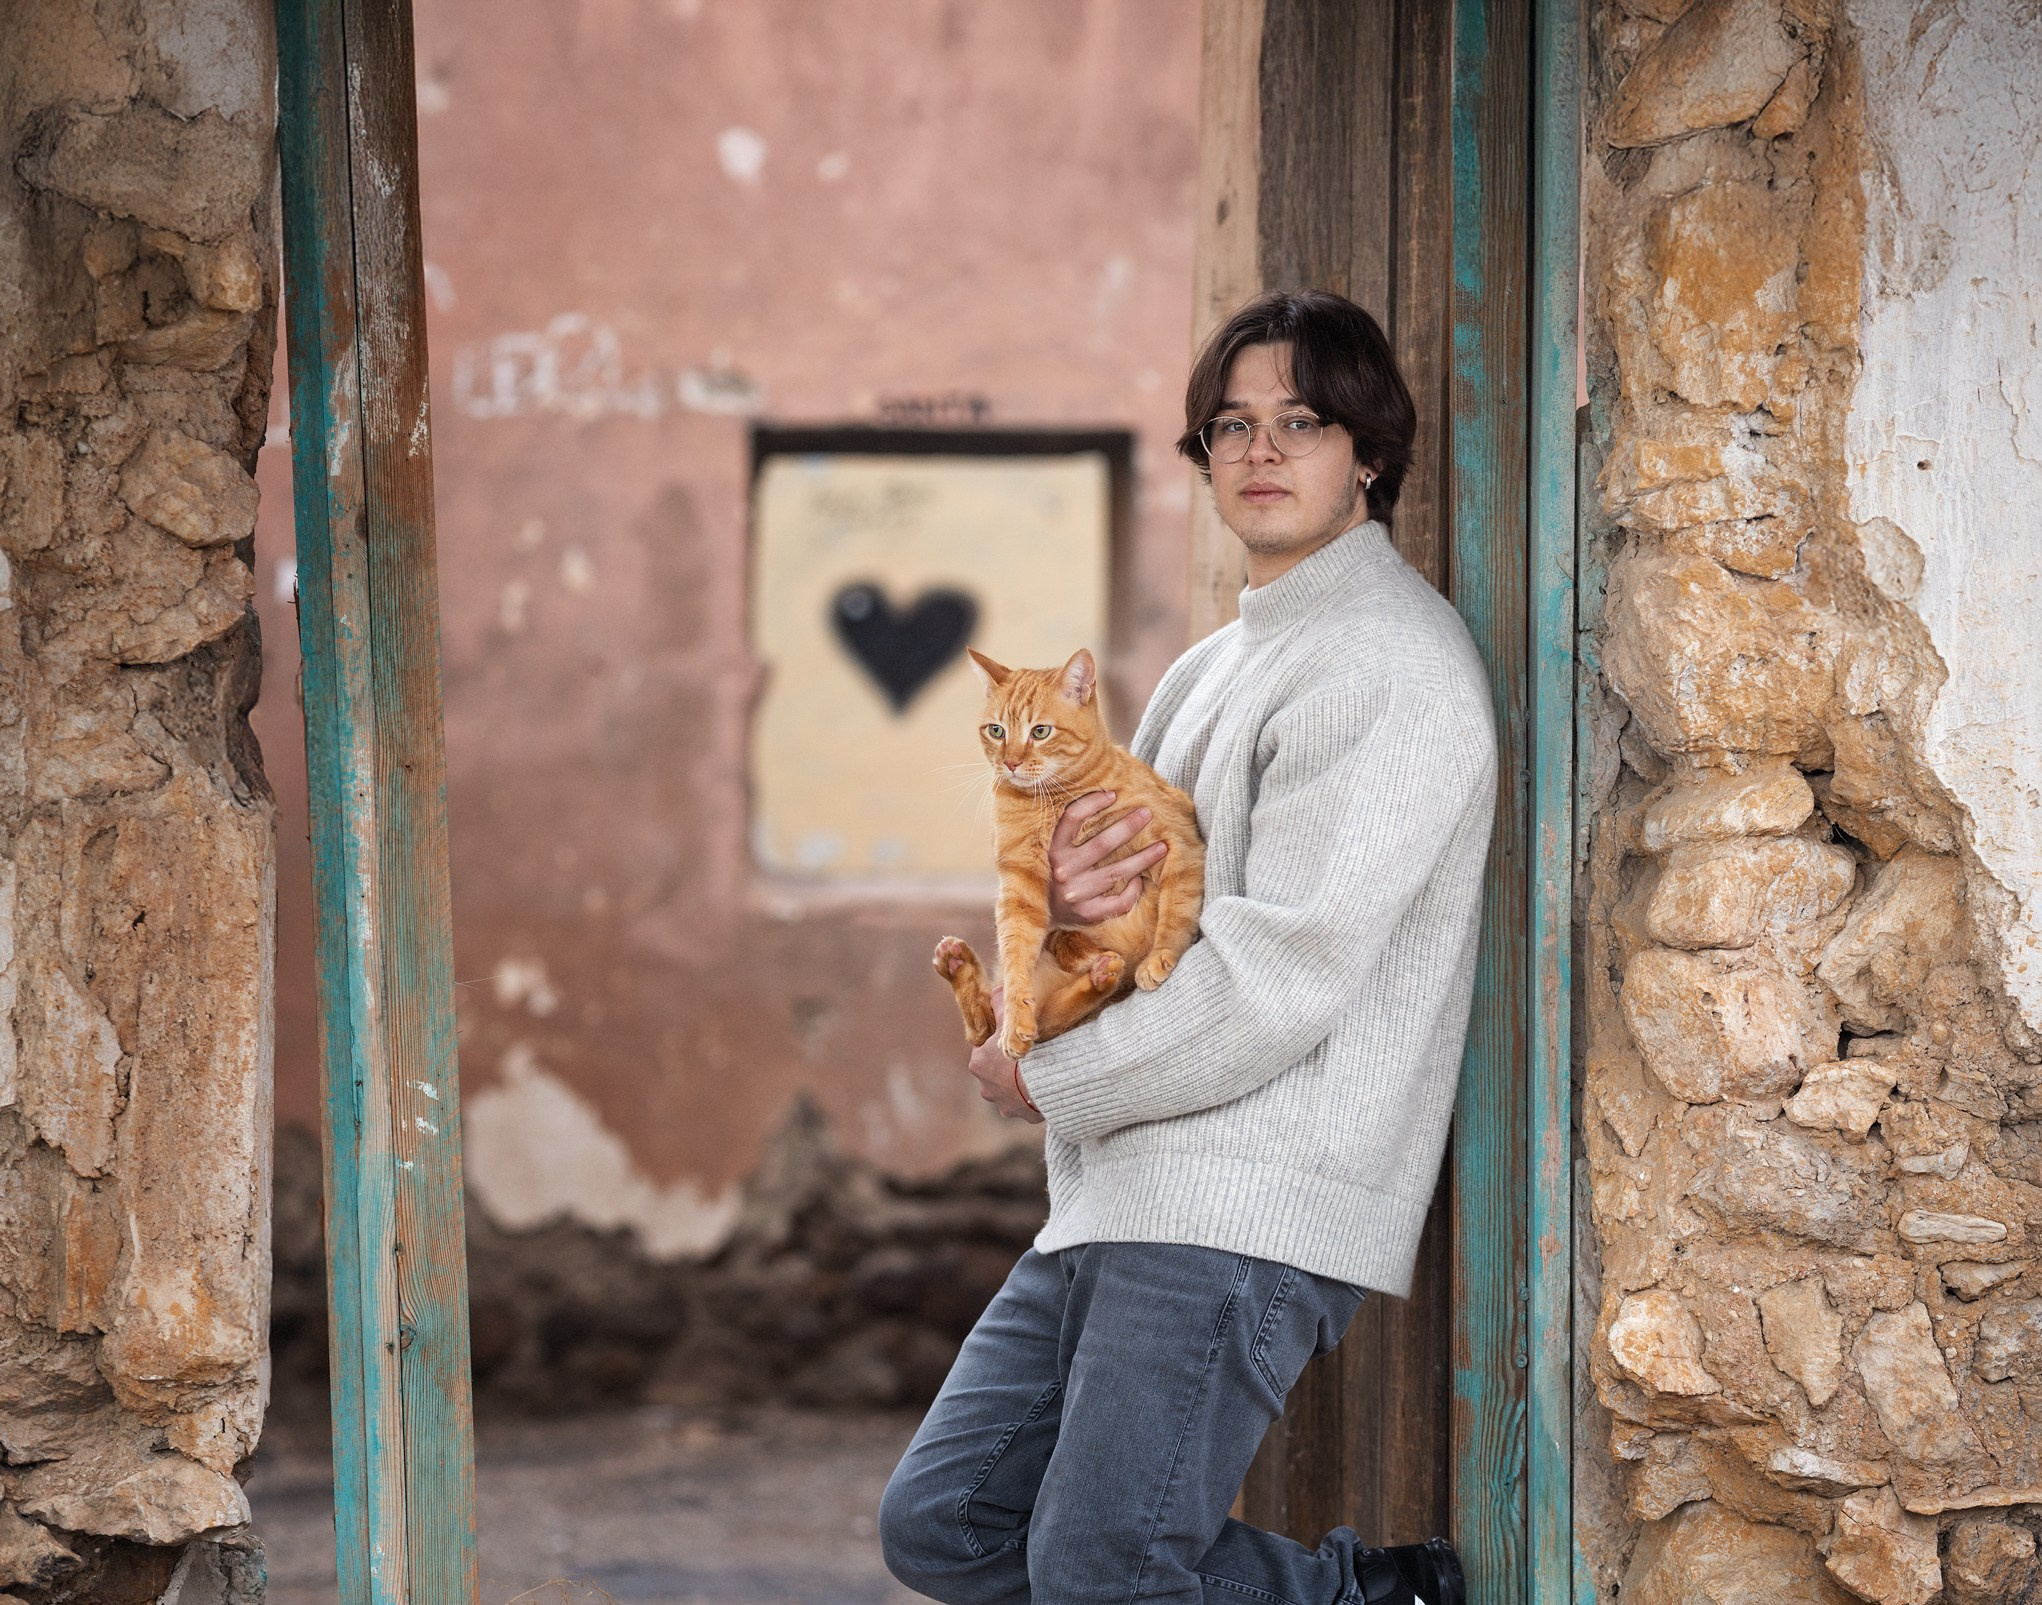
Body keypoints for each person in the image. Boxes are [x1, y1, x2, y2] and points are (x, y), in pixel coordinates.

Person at [879, 289, 1497, 1605]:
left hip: (1245, 1192)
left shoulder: (1392, 665)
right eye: (1232, 425)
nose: (1260, 450)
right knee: (947, 1522)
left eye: (1301, 421)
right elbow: (1136, 921)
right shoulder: (1207, 671)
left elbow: (1279, 977)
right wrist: (1068, 900)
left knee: (1103, 1570)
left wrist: (1046, 1075)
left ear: (1369, 454)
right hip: (1124, 1181)